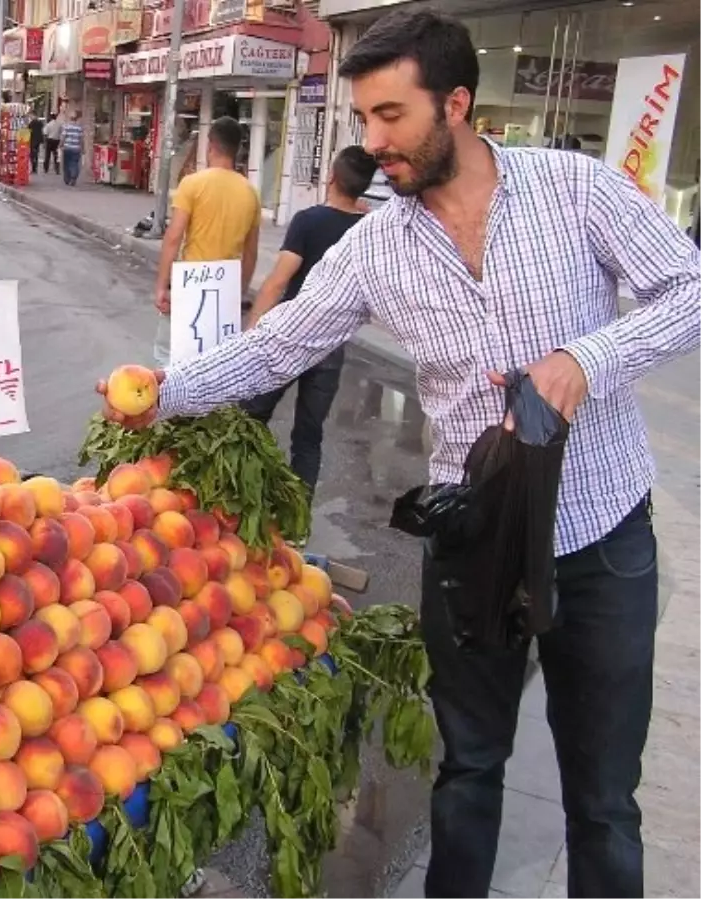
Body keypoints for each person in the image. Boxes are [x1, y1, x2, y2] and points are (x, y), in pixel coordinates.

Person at [97, 11, 701, 899]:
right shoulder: (380, 244)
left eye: (391, 116)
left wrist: (587, 358)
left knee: (604, 800)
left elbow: (688, 288)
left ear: (455, 104)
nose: (373, 141)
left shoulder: (578, 191)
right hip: (474, 549)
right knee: (468, 771)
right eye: (363, 120)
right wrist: (166, 388)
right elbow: (280, 345)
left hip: (605, 538)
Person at [240, 145, 378, 495]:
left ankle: (241, 495)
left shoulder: (308, 221)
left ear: (331, 178)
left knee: (251, 417)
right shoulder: (369, 230)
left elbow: (278, 281)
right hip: (331, 344)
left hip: (290, 336)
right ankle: (296, 519)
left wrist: (252, 331)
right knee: (309, 434)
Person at [151, 115, 260, 367]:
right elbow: (251, 253)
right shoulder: (250, 193)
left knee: (168, 358)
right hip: (224, 288)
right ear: (237, 149)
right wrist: (239, 291)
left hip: (191, 282)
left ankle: (167, 405)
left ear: (210, 145)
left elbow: (173, 238)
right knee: (213, 362)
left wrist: (162, 286)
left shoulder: (192, 184)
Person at [60, 112, 84, 187]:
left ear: (70, 119)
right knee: (75, 163)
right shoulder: (79, 128)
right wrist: (82, 148)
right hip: (76, 148)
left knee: (66, 164)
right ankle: (74, 177)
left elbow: (63, 137)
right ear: (76, 119)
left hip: (67, 148)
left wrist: (61, 145)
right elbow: (81, 139)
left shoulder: (66, 127)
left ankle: (67, 179)